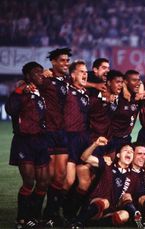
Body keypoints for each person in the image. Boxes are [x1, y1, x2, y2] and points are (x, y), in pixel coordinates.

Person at [6, 62, 49, 228]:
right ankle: (21, 219)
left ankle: (35, 217)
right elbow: (10, 109)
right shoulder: (20, 92)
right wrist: (19, 91)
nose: (40, 75)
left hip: (41, 141)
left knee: (44, 182)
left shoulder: (41, 92)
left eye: (41, 72)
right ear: (28, 76)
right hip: (24, 142)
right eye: (36, 72)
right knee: (29, 182)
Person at [70, 137, 133, 228]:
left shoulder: (132, 175)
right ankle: (78, 222)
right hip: (95, 204)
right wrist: (95, 144)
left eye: (131, 151)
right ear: (118, 155)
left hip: (110, 211)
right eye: (126, 150)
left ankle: (92, 224)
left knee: (125, 215)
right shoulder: (108, 165)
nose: (129, 152)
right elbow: (84, 158)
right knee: (105, 202)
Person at [40, 48, 72, 226]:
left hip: (63, 132)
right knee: (48, 177)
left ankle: (52, 214)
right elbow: (26, 82)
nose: (66, 63)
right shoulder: (45, 79)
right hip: (48, 132)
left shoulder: (67, 80)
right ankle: (37, 215)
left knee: (60, 176)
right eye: (62, 60)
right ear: (53, 62)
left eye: (67, 60)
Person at [61, 60, 90, 221]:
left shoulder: (85, 92)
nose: (85, 74)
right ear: (72, 75)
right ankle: (54, 212)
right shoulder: (66, 90)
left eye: (86, 72)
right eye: (81, 71)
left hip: (83, 140)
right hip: (70, 139)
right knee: (69, 180)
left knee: (84, 181)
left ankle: (70, 213)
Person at [119, 143, 145, 228]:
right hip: (125, 207)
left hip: (144, 205)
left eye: (144, 154)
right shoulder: (124, 172)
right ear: (132, 155)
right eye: (139, 154)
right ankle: (138, 217)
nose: (143, 157)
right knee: (127, 196)